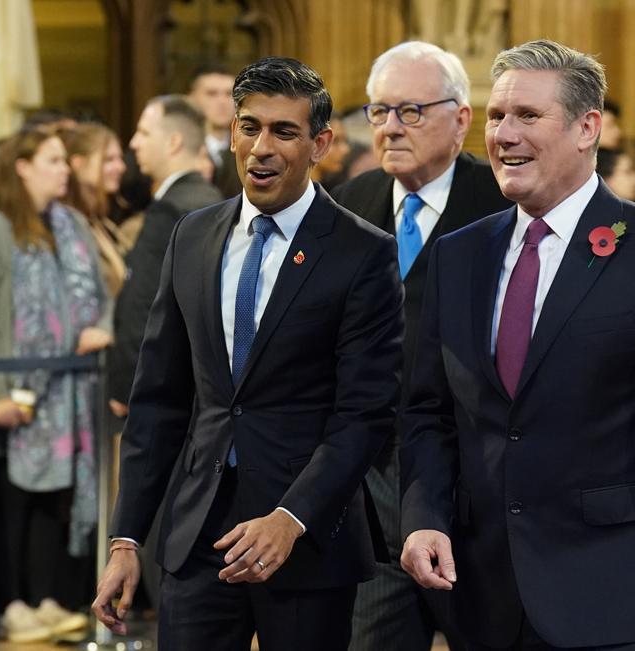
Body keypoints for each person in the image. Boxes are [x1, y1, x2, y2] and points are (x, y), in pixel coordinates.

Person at [399, 39, 635, 651]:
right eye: (497, 116)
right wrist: (424, 517)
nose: (504, 134)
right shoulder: (459, 256)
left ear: (588, 127)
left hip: (609, 593)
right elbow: (428, 412)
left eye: (528, 116)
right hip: (479, 595)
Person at [91, 56, 404, 651]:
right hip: (195, 540)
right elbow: (158, 402)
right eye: (249, 126)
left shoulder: (362, 252)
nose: (261, 147)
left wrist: (291, 519)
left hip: (306, 543)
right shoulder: (192, 235)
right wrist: (126, 539)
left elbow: (364, 416)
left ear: (320, 144)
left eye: (284, 131)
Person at [331, 40, 510, 651]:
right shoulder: (348, 206)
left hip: (478, 490)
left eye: (410, 111)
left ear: (462, 119)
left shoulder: (504, 205)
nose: (389, 128)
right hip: (373, 489)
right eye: (378, 112)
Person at [0, 126, 112, 642]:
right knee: (13, 499)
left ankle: (47, 597)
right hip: (17, 391)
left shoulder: (70, 224)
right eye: (52, 160)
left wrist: (103, 328)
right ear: (21, 166)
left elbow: (102, 291)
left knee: (57, 497)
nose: (64, 169)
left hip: (67, 390)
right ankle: (13, 601)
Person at [107, 95, 222, 419]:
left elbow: (147, 302)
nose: (134, 143)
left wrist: (126, 383)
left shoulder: (170, 209)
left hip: (161, 390)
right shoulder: (212, 200)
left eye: (144, 133)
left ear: (173, 142)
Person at [62, 122, 131, 297]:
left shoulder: (104, 225)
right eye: (109, 160)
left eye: (119, 158)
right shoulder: (66, 227)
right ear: (78, 163)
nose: (120, 167)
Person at [188, 64, 240, 198]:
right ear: (192, 98)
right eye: (212, 94)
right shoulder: (182, 149)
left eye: (229, 94)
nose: (222, 102)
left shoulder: (249, 147)